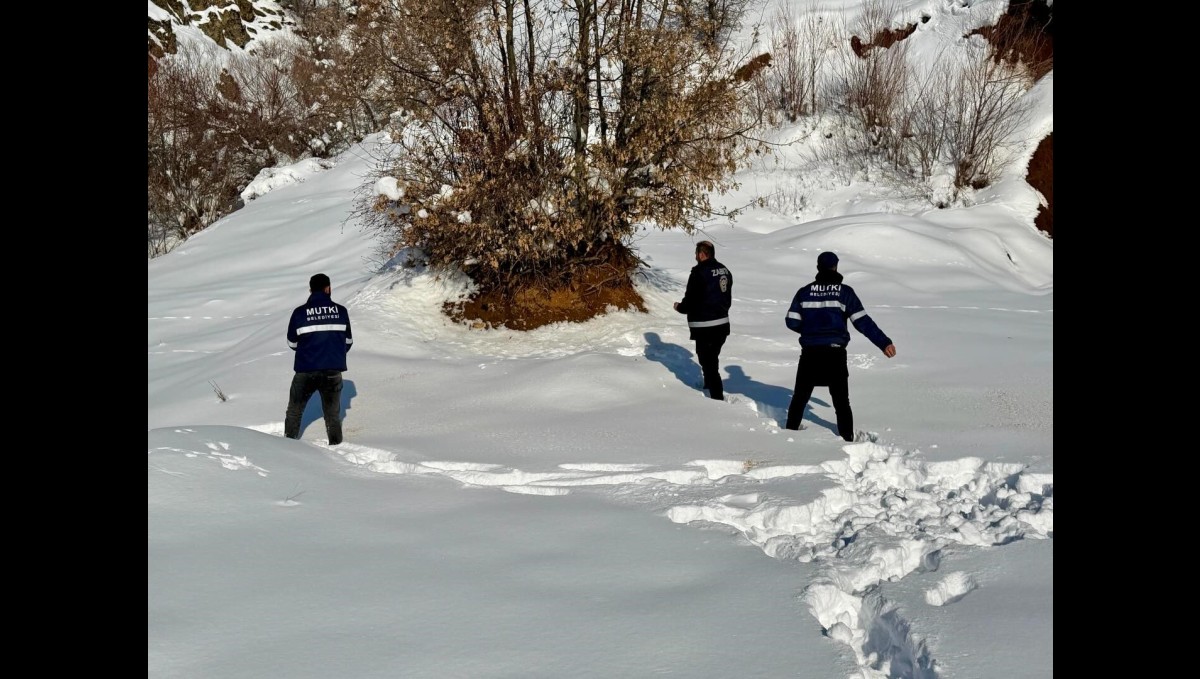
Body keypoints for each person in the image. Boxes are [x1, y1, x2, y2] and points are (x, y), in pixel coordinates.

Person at [784, 251, 895, 440]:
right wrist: (883, 342)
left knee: (800, 398)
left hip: (810, 353)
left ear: (818, 267)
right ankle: (847, 438)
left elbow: (792, 321)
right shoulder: (845, 292)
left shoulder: (804, 292)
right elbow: (862, 322)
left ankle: (788, 435)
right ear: (835, 267)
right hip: (835, 354)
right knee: (841, 401)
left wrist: (810, 331)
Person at [285, 273, 353, 445]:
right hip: (332, 370)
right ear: (328, 288)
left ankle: (287, 447)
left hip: (305, 369)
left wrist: (307, 351)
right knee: (332, 416)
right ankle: (336, 447)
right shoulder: (341, 311)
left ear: (310, 290)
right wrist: (333, 353)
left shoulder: (299, 313)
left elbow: (292, 343)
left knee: (294, 412)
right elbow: (348, 342)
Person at [673, 240, 732, 400]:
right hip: (722, 325)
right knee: (710, 358)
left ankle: (717, 398)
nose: (695, 256)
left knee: (709, 362)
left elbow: (691, 299)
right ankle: (708, 385)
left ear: (701, 254)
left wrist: (680, 307)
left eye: (696, 253)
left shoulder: (699, 272)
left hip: (705, 326)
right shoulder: (725, 270)